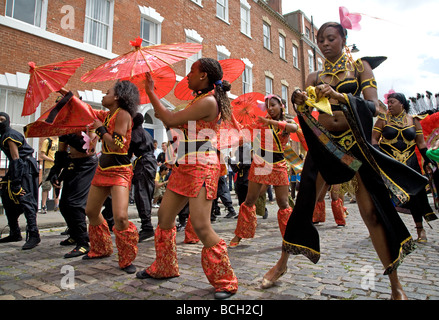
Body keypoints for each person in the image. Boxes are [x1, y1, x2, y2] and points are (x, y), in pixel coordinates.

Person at [263, 22, 428, 300]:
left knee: (373, 214)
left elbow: (376, 106)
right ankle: (281, 264)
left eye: (331, 38)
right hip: (326, 147)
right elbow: (306, 111)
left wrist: (341, 96)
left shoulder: (360, 67)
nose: (325, 43)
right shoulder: (314, 76)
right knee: (303, 206)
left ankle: (395, 285)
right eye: (320, 40)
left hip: (355, 148)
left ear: (343, 39)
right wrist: (300, 100)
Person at [136, 58, 238, 300]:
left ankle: (226, 281)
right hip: (185, 165)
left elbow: (170, 120)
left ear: (203, 76)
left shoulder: (209, 102)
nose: (188, 76)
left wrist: (151, 92)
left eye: (192, 71)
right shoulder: (200, 100)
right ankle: (165, 267)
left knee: (202, 226)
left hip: (202, 166)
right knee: (164, 217)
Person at [58, 81, 140, 274]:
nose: (104, 95)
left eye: (107, 92)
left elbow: (117, 145)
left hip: (120, 171)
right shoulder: (108, 114)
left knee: (120, 217)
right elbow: (84, 108)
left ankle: (127, 259)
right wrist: (62, 90)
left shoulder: (123, 115)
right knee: (91, 211)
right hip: (103, 170)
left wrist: (101, 129)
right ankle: (102, 248)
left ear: (118, 97)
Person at [229, 94, 299, 248]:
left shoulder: (286, 122)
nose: (271, 108)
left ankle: (289, 237)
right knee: (249, 200)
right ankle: (240, 234)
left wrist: (269, 122)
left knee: (283, 202)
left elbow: (294, 128)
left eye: (273, 105)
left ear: (281, 106)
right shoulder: (260, 123)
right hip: (260, 163)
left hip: (279, 165)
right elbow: (243, 133)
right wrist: (233, 121)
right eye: (268, 106)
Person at [372, 92, 438, 241]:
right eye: (388, 102)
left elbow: (420, 143)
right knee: (386, 196)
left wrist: (428, 159)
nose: (389, 105)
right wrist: (377, 155)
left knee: (415, 196)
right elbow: (374, 140)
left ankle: (420, 231)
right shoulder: (383, 120)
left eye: (392, 102)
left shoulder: (413, 120)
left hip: (410, 163)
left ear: (402, 103)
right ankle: (384, 228)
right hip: (389, 164)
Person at [48, 130, 98, 258]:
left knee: (75, 203)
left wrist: (75, 133)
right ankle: (75, 235)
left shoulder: (89, 127)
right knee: (64, 204)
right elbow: (61, 152)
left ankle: (83, 242)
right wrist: (55, 171)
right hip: (72, 164)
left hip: (87, 165)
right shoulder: (65, 129)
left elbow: (88, 149)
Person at [0, 112, 40, 250]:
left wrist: (16, 182)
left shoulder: (9, 135)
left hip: (25, 167)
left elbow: (16, 158)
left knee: (25, 198)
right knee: (6, 198)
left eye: (2, 120)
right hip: (18, 167)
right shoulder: (4, 135)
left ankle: (34, 234)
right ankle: (15, 232)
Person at [128, 113, 157, 242]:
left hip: (144, 163)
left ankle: (147, 226)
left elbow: (127, 151)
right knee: (146, 192)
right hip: (148, 162)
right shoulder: (145, 133)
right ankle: (146, 224)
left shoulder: (135, 133)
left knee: (142, 193)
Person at [39, 136, 60, 213]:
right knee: (46, 186)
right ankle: (43, 206)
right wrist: (53, 160)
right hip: (48, 167)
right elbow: (42, 155)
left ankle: (56, 205)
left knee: (57, 185)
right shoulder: (47, 141)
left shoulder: (59, 140)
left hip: (57, 167)